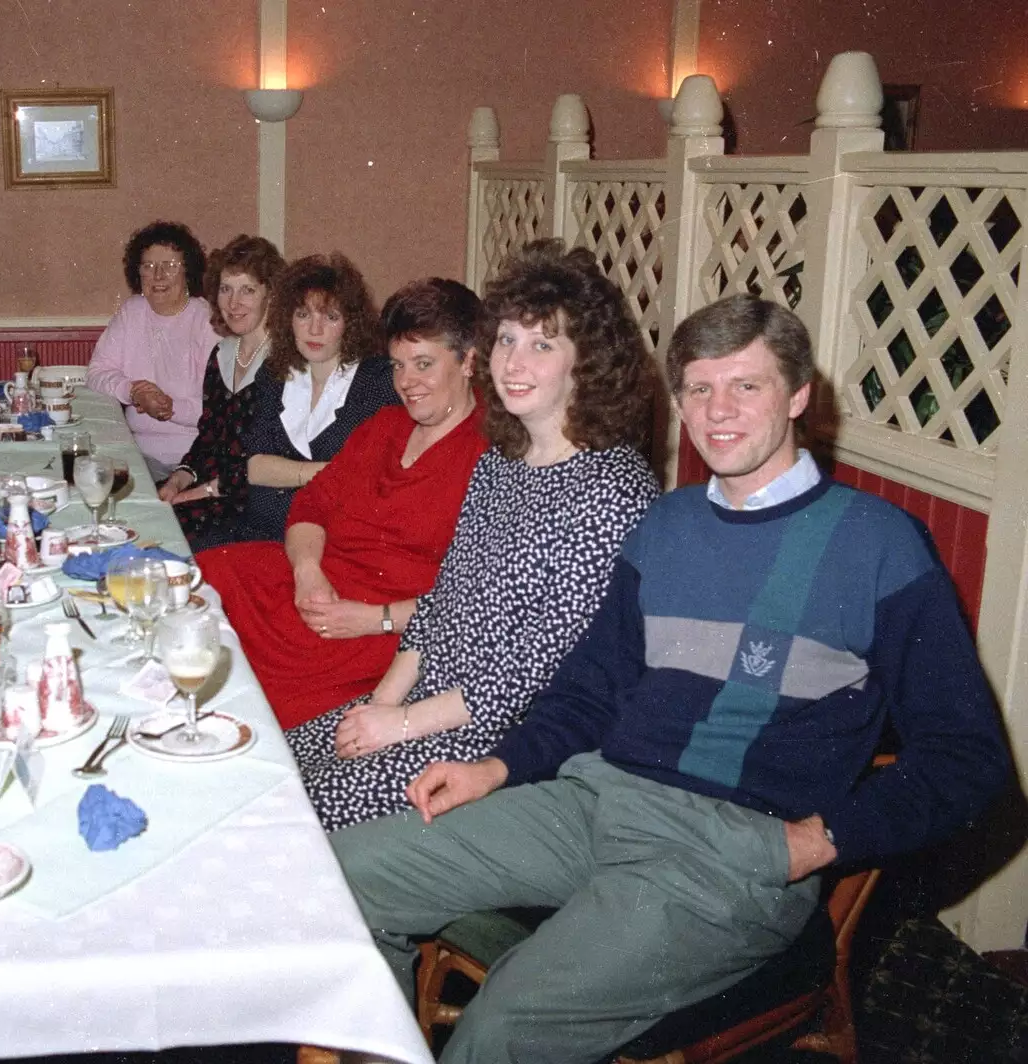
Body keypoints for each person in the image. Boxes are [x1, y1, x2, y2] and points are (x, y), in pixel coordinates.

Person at [330, 294, 1011, 1064]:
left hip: (729, 853)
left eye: (745, 386)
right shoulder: (668, 525)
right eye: (698, 388)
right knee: (342, 879)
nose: (718, 411)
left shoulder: (877, 545)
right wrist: (496, 766)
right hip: (597, 800)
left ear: (796, 396)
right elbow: (590, 691)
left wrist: (817, 843)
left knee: (508, 1022)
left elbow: (968, 758)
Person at [289, 243, 661, 831]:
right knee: (269, 768)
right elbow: (440, 604)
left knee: (297, 820)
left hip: (495, 738)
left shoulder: (612, 491)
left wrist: (401, 725)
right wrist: (383, 703)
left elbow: (531, 674)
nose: (514, 362)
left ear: (585, 360)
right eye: (507, 340)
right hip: (424, 700)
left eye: (542, 345)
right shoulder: (502, 461)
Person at [198, 278, 485, 730]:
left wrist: (375, 620)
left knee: (240, 690)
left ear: (468, 360)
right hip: (313, 584)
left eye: (424, 364)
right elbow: (311, 506)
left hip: (378, 626)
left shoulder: (491, 454)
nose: (406, 383)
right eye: (397, 365)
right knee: (199, 580)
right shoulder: (384, 427)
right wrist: (307, 571)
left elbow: (477, 599)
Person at [218, 252, 399, 545]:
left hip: (330, 545)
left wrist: (286, 472)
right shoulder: (275, 373)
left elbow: (365, 480)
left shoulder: (376, 383)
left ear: (350, 323)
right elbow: (255, 468)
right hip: (260, 533)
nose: (315, 330)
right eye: (303, 315)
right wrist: (325, 472)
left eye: (330, 317)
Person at [157, 234, 286, 549]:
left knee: (163, 535)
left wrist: (194, 494)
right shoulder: (223, 352)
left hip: (254, 501)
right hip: (209, 490)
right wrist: (180, 477)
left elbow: (272, 459)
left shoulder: (284, 363)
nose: (233, 303)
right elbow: (209, 434)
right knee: (139, 509)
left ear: (271, 294)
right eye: (226, 289)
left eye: (248, 290)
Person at [86, 221, 220, 481]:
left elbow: (218, 409)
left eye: (169, 266)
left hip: (196, 461)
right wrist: (133, 391)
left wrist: (169, 408)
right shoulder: (133, 312)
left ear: (188, 271)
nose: (158, 276)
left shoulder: (207, 321)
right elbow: (96, 374)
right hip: (138, 457)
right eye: (148, 266)